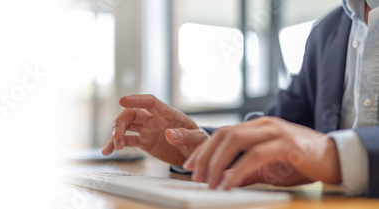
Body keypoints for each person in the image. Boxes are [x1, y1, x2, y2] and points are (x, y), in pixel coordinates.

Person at [102, 0, 379, 197]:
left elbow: (316, 149)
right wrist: (204, 146)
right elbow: (279, 128)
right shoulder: (327, 32)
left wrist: (337, 154)